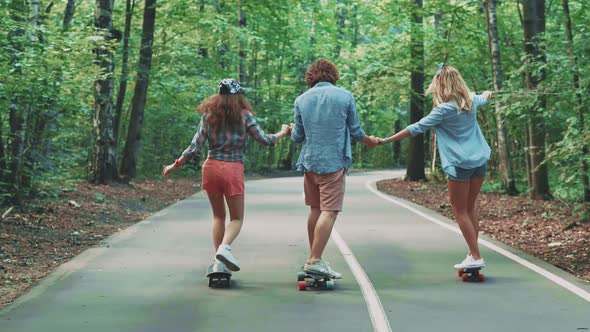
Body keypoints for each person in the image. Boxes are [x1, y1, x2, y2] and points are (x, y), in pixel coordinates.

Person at [163, 78, 290, 272]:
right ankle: (224, 248)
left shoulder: (208, 115)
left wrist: (175, 164)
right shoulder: (245, 116)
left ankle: (218, 264)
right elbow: (266, 141)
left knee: (218, 217)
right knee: (237, 219)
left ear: (219, 96)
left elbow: (194, 146)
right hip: (232, 169)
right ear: (239, 96)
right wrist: (282, 132)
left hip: (211, 168)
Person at [382, 63, 492, 269]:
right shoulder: (470, 101)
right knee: (469, 209)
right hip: (479, 161)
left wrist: (387, 140)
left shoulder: (443, 110)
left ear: (440, 85)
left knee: (460, 211)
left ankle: (476, 256)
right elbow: (485, 97)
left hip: (460, 164)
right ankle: (472, 253)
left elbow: (415, 128)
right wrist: (487, 93)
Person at [291, 59, 381, 279]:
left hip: (310, 162)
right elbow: (356, 131)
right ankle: (314, 260)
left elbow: (297, 137)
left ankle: (314, 259)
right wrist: (369, 140)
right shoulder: (345, 96)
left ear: (311, 77)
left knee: (315, 209)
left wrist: (291, 129)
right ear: (333, 75)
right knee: (329, 211)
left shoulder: (301, 100)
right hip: (333, 163)